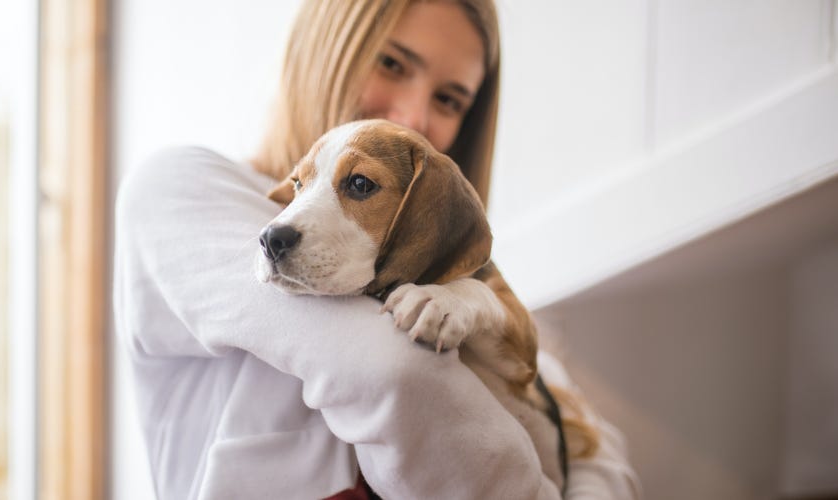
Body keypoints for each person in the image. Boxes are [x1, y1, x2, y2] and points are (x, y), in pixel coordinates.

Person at [114, 1, 641, 499]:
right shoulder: (184, 188)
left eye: (449, 99)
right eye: (391, 62)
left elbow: (592, 446)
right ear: (326, 44)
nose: (413, 115)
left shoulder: (456, 287)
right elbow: (393, 372)